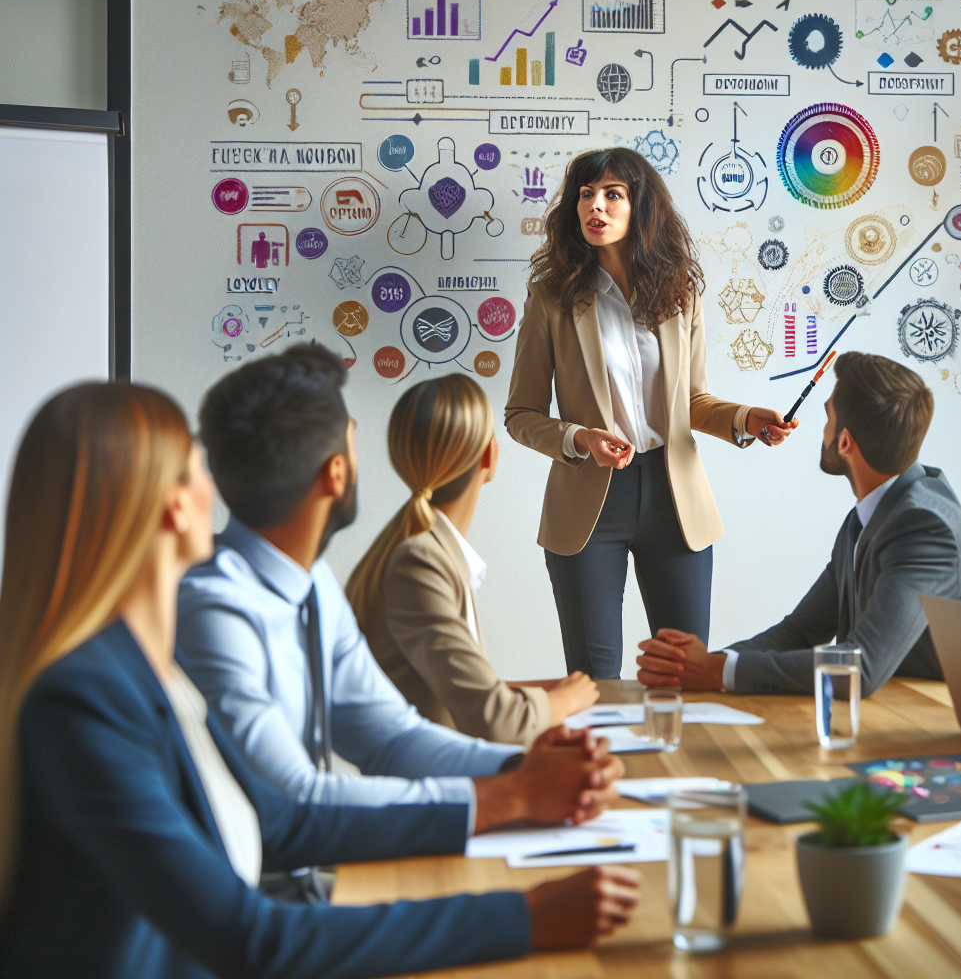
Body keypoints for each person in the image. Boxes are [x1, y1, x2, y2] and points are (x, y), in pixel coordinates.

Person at [0, 382, 640, 979]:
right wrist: (523, 916)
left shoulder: (145, 665)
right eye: (199, 467)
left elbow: (279, 822)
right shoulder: (82, 700)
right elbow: (247, 937)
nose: (214, 486)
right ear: (172, 503)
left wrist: (516, 791)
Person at [178, 345, 621, 840]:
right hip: (274, 889)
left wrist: (524, 765)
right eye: (353, 443)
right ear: (336, 473)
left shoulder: (313, 582)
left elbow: (390, 736)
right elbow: (293, 797)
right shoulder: (213, 610)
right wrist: (510, 795)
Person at [506, 147, 797, 680]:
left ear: (641, 207)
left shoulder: (679, 291)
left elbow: (694, 403)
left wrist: (745, 418)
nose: (596, 206)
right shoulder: (550, 297)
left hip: (675, 499)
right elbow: (520, 413)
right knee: (595, 677)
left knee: (685, 673)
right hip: (589, 505)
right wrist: (579, 438)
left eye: (613, 194)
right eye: (586, 195)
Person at [633, 351, 961, 695]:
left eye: (827, 418)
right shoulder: (872, 517)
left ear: (844, 443)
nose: (822, 430)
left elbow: (863, 668)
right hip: (904, 712)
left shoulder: (924, 528)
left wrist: (717, 672)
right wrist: (707, 665)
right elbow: (802, 631)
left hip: (956, 727)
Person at [346, 375, 597, 745]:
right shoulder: (419, 564)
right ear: (488, 455)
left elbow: (464, 694)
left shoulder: (422, 549)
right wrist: (569, 698)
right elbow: (497, 723)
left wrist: (555, 692)